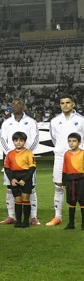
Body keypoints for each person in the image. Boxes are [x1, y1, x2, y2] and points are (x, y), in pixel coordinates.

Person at [0, 98, 39, 225]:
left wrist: (25, 153)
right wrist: (10, 154)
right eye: (14, 104)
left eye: (19, 104)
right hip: (11, 159)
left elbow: (35, 139)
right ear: (11, 106)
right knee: (10, 187)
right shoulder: (6, 123)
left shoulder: (31, 122)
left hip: (27, 160)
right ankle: (11, 216)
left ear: (23, 106)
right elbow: (2, 139)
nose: (17, 106)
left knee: (30, 188)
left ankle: (33, 217)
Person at [47, 95, 84, 226]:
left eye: (68, 102)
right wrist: (62, 149)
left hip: (78, 158)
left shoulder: (81, 120)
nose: (65, 105)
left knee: (81, 187)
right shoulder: (54, 121)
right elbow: (54, 139)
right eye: (62, 103)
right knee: (58, 185)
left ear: (73, 104)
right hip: (60, 157)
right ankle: (57, 217)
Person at [5, 131, 37, 229]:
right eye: (16, 140)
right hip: (15, 177)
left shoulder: (29, 153)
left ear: (24, 142)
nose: (18, 142)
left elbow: (32, 168)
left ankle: (26, 221)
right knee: (17, 199)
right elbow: (7, 168)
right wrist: (12, 179)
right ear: (13, 141)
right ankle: (18, 221)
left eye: (21, 140)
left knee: (25, 199)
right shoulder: (10, 154)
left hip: (25, 176)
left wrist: (25, 180)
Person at [61, 133, 84, 229]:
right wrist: (64, 182)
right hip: (70, 181)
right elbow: (64, 168)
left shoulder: (82, 153)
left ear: (79, 142)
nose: (71, 143)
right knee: (71, 201)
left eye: (74, 141)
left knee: (82, 201)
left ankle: (83, 224)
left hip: (81, 180)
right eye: (69, 141)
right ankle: (71, 224)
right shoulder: (67, 154)